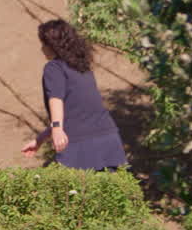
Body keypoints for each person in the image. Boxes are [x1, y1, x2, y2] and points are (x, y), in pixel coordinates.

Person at [21, 19, 127, 171]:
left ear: (53, 46)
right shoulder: (82, 68)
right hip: (109, 141)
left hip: (79, 146)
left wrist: (57, 129)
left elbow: (56, 99)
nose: (42, 49)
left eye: (44, 44)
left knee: (70, 192)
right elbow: (76, 112)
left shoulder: (53, 68)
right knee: (111, 192)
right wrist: (40, 140)